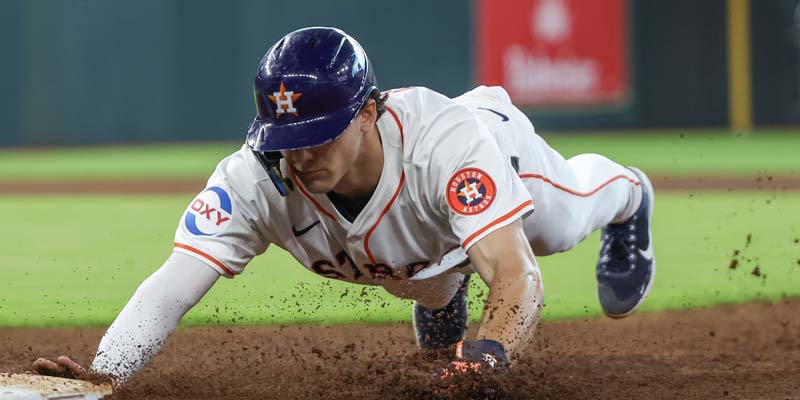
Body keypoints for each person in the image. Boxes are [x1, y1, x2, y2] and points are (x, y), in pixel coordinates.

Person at [33, 26, 655, 384]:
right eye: (286, 140)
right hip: (424, 239)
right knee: (418, 266)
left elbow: (519, 278)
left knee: (563, 225)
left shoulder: (446, 144)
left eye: (315, 134)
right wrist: (105, 375)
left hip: (498, 150)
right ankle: (442, 287)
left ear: (367, 110)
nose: (299, 155)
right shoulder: (255, 178)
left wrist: (488, 356)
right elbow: (171, 287)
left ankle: (630, 196)